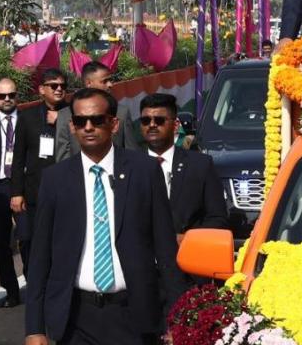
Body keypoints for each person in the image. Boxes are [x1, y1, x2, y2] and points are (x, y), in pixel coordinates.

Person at [24, 88, 186, 345]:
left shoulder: (144, 171)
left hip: (133, 315)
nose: (88, 127)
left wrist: (177, 319)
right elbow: (40, 256)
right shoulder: (55, 179)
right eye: (80, 121)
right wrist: (34, 328)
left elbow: (165, 250)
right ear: (72, 126)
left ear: (114, 123)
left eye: (97, 120)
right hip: (75, 317)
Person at [139, 93, 227, 243]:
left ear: (175, 125)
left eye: (159, 120)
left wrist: (186, 240)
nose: (152, 125)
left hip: (185, 257)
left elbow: (217, 218)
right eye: (146, 120)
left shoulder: (200, 165)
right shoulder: (127, 165)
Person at [10, 68, 69, 270]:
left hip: (67, 189)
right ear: (41, 90)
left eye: (62, 85)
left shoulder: (74, 114)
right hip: (35, 190)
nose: (59, 89)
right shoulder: (27, 117)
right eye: (54, 85)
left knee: (62, 242)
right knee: (31, 241)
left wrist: (62, 121)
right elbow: (18, 157)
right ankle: (34, 282)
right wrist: (16, 192)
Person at [56, 61, 140, 162]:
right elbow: (63, 159)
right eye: (104, 81)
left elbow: (131, 152)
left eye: (110, 80)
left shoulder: (121, 112)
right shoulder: (65, 115)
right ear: (89, 83)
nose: (110, 85)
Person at [0, 78, 21, 307]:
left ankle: (38, 286)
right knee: (1, 243)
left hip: (23, 185)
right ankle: (12, 291)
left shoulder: (30, 120)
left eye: (11, 94)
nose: (7, 99)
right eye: (2, 96)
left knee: (30, 240)